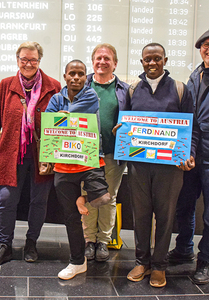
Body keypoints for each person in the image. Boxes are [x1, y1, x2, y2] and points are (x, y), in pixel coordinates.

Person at [0, 41, 61, 266]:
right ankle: (5, 245)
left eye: (33, 59)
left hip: (43, 156)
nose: (28, 64)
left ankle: (31, 242)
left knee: (38, 201)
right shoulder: (7, 85)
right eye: (24, 59)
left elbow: (62, 122)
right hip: (11, 154)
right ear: (17, 60)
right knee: (6, 200)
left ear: (39, 61)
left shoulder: (54, 86)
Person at [122, 43, 197, 287]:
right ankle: (142, 261)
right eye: (147, 59)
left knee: (165, 216)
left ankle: (160, 265)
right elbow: (123, 123)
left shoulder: (180, 89)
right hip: (139, 164)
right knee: (140, 213)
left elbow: (192, 128)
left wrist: (190, 153)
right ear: (141, 61)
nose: (152, 63)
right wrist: (122, 134)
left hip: (170, 166)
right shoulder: (133, 90)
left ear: (165, 60)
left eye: (157, 59)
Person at [167, 28, 209, 285]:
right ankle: (184, 249)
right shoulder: (195, 75)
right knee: (184, 205)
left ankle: (205, 261)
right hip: (191, 154)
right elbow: (189, 119)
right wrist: (186, 150)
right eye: (205, 45)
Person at [45, 59, 110, 280]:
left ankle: (83, 196)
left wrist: (60, 119)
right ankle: (77, 261)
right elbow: (49, 123)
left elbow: (67, 117)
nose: (76, 77)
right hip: (64, 163)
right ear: (65, 76)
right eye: (72, 73)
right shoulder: (55, 98)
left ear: (86, 77)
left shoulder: (91, 95)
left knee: (102, 197)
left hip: (89, 159)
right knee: (70, 217)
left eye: (80, 74)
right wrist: (61, 120)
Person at [83, 43, 128, 262]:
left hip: (113, 153)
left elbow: (133, 118)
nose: (102, 62)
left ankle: (104, 241)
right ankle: (89, 240)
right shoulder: (81, 84)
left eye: (107, 59)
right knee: (87, 197)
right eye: (98, 58)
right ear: (93, 62)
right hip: (85, 153)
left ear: (115, 64)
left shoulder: (125, 89)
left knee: (108, 198)